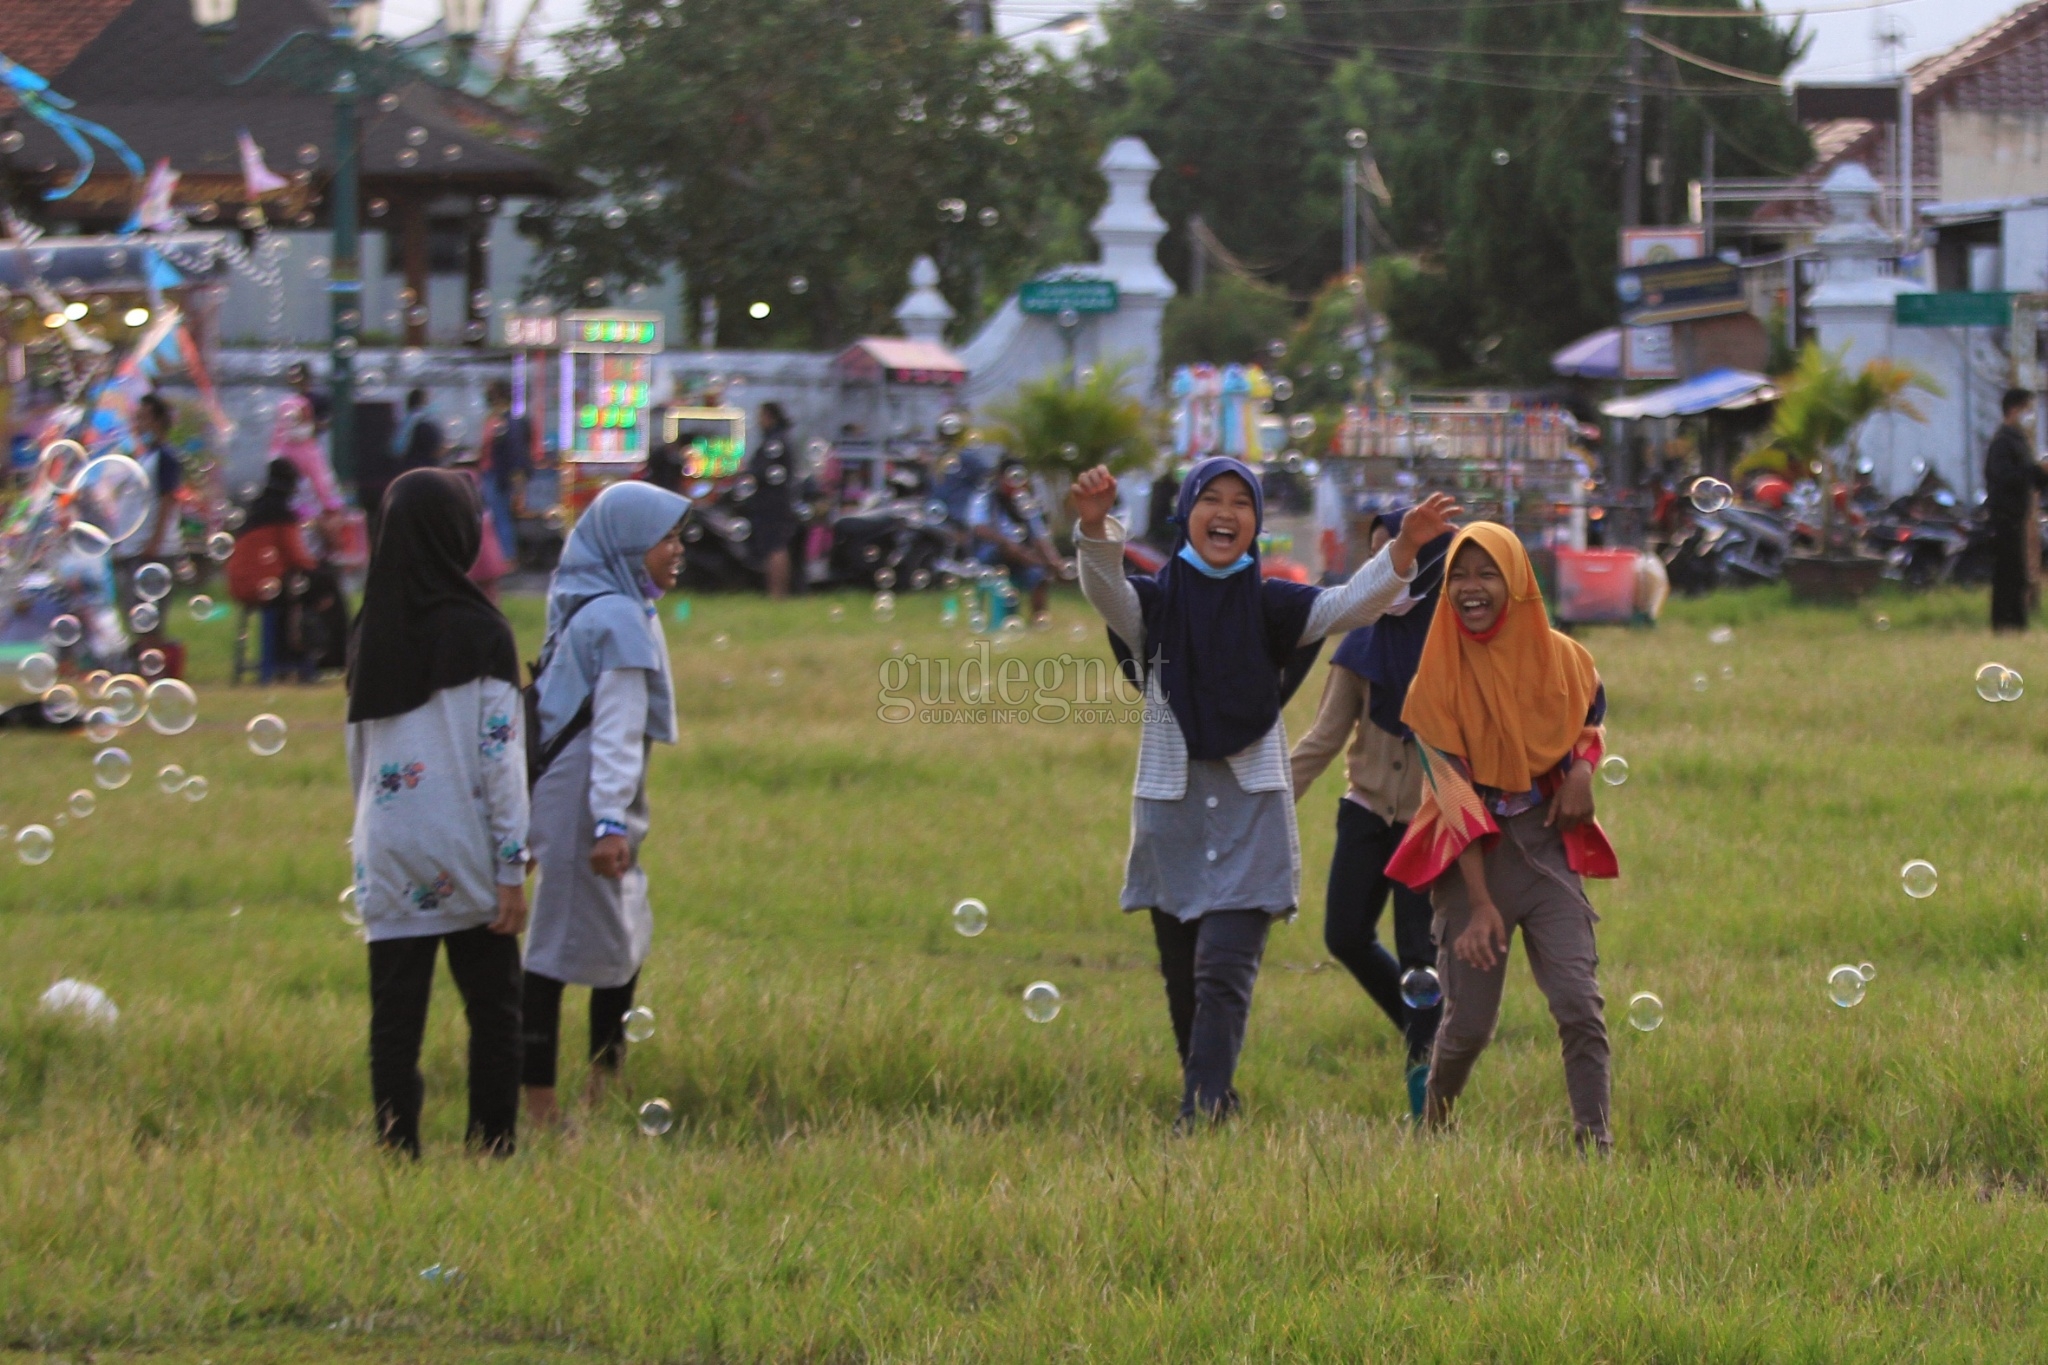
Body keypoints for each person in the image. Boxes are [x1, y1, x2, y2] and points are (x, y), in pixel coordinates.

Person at [1071, 458, 1457, 1126]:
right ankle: (1214, 1093)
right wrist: (1093, 524)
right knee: (1184, 974)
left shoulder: (1273, 605)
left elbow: (1349, 604)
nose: (1226, 513)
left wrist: (1403, 549)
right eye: (1210, 499)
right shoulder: (1152, 604)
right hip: (1173, 811)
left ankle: (1200, 1110)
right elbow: (1105, 588)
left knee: (1225, 970)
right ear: (1187, 513)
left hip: (1251, 811)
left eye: (1240, 503)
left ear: (1255, 524)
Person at [1385, 523, 1617, 1153]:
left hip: (1546, 850)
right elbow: (1452, 797)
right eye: (1459, 575)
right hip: (1472, 866)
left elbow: (1589, 722)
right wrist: (1479, 906)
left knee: (1579, 1004)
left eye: (1487, 573)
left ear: (1517, 582)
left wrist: (1580, 774)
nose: (1471, 587)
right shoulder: (1435, 680)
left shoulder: (1566, 658)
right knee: (1468, 1030)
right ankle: (1432, 1124)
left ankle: (1594, 1146)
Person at [344, 468, 529, 1158]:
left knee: (395, 1017)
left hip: (387, 843)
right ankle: (492, 1145)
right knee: (494, 1008)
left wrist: (366, 837)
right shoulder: (483, 631)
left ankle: (397, 1149)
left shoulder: (371, 629)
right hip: (466, 845)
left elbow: (357, 754)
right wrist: (512, 865)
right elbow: (500, 759)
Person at [522, 480, 690, 1128]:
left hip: (589, 791)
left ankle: (603, 1083)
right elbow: (616, 728)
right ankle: (543, 1106)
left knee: (620, 938)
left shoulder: (598, 603)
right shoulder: (618, 615)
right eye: (664, 538)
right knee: (555, 949)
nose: (677, 551)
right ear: (625, 544)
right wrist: (609, 822)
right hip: (588, 797)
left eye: (679, 537)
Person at [1290, 506, 1454, 1119]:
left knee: (1420, 953)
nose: (1393, 567)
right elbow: (1321, 740)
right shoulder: (1359, 640)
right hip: (1363, 814)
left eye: (1406, 554)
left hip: (1428, 824)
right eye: (1383, 555)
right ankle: (1429, 1031)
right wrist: (1264, 801)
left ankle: (1426, 1092)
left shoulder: (1456, 647)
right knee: (1344, 935)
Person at [226, 459, 323, 684]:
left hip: (242, 583)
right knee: (322, 587)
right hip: (263, 585)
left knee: (300, 591)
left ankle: (285, 659)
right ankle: (307, 659)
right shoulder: (281, 512)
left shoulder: (256, 508)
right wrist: (320, 568)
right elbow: (297, 558)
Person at [111, 393, 183, 622]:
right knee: (136, 617)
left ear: (159, 422)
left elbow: (167, 499)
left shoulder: (165, 457)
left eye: (143, 418)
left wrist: (155, 542)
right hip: (134, 547)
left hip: (151, 550)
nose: (138, 425)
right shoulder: (145, 457)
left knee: (148, 620)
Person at [1984, 388, 2046, 632]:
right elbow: (2005, 478)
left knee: (2018, 574)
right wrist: (2035, 471)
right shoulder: (2002, 442)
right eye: (2026, 409)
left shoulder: (2019, 440)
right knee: (2006, 574)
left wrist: (2040, 474)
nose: (2030, 415)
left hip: (2018, 517)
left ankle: (2018, 623)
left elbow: (2029, 478)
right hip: (2004, 516)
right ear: (2013, 410)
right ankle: (2004, 624)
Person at [971, 458, 1064, 620]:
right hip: (991, 556)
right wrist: (1006, 542)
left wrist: (1055, 561)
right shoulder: (986, 499)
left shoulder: (1025, 503)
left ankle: (1038, 619)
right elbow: (979, 528)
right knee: (1009, 549)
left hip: (1021, 558)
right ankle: (1036, 563)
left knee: (1039, 575)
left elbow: (1039, 537)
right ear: (1000, 477)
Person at [743, 402, 798, 598]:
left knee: (775, 547)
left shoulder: (775, 442)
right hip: (777, 502)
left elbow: (763, 472)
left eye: (761, 416)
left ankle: (777, 592)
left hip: (772, 504)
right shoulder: (779, 439)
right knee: (776, 546)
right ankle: (777, 592)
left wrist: (748, 471)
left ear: (770, 416)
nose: (758, 421)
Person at [479, 379, 532, 564]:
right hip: (491, 473)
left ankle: (506, 556)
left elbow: (515, 450)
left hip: (499, 474)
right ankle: (502, 555)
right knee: (496, 516)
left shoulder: (507, 422)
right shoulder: (495, 420)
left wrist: (516, 476)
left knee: (500, 516)